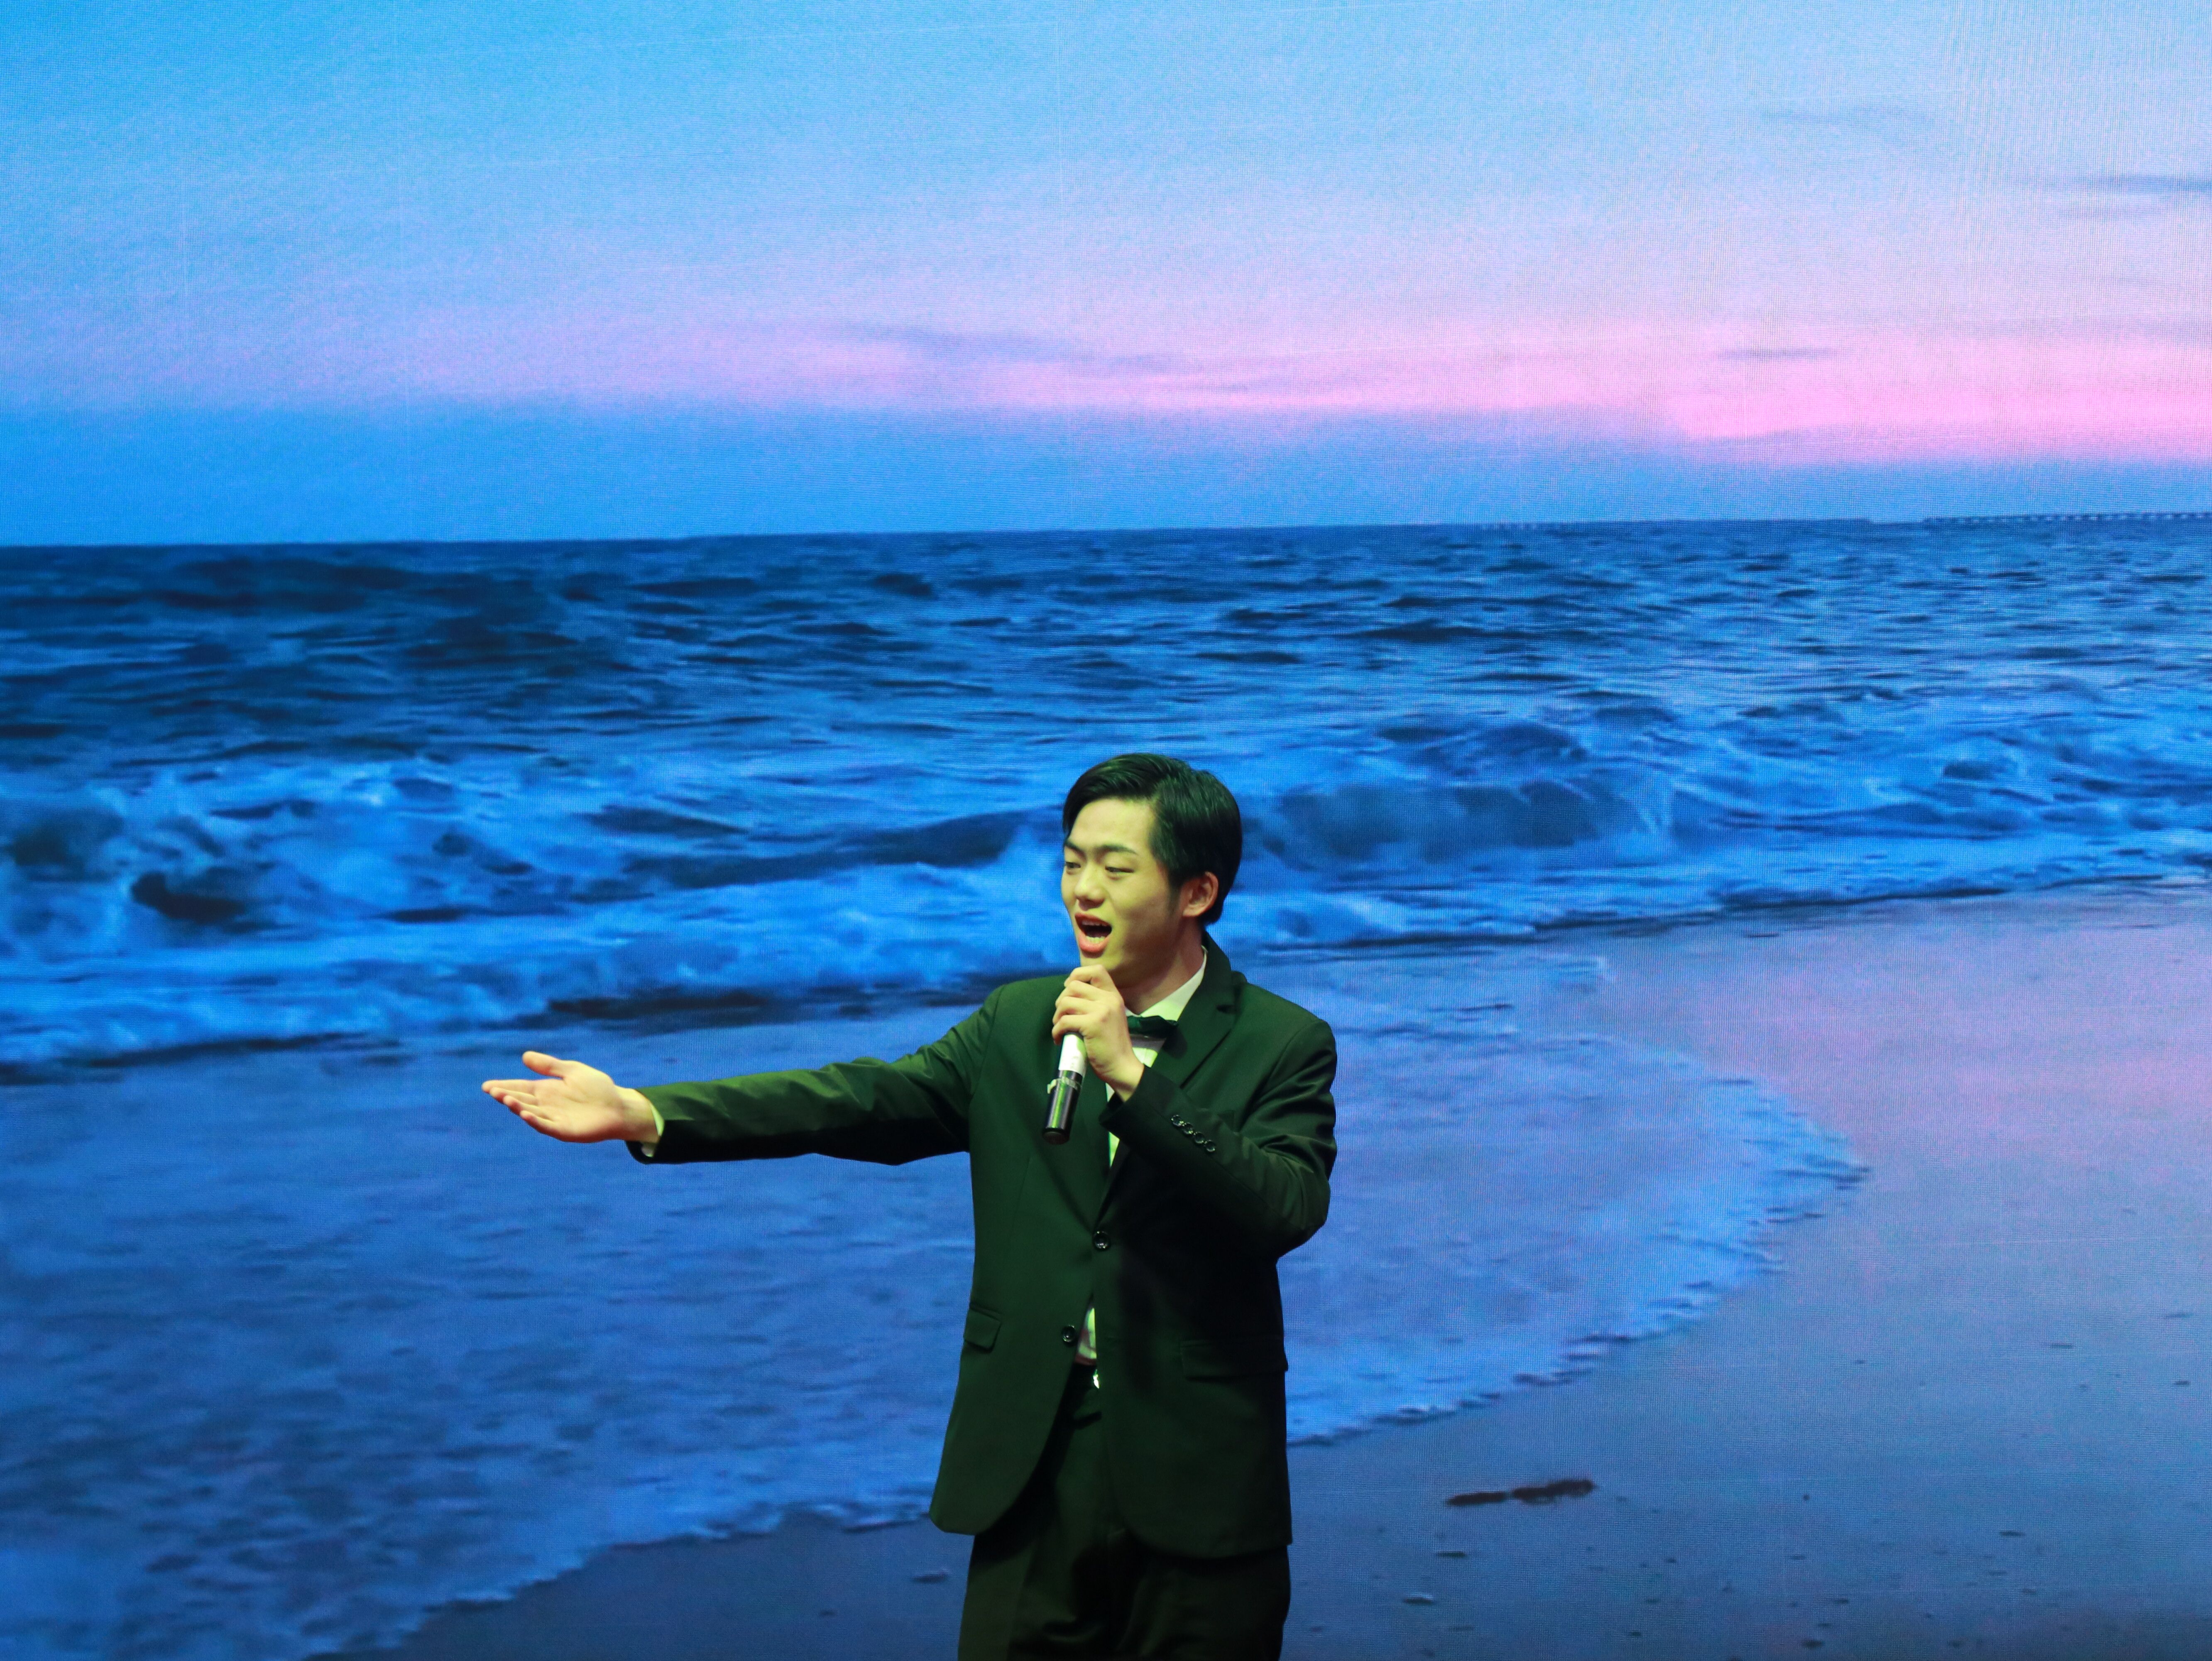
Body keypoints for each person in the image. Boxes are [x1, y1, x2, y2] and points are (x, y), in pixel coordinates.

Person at [482, 754, 1338, 1659]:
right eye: (1071, 862)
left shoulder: (1284, 1042)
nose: (1084, 890)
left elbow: (1283, 1206)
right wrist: (648, 1111)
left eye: (1116, 868)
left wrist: (1132, 1076)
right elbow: (859, 1099)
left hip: (1199, 1468)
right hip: (1031, 1458)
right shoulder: (1018, 1022)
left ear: (1197, 891)